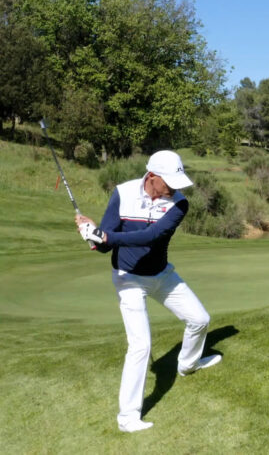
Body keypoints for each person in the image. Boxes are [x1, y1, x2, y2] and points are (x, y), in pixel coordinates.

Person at [76, 150, 221, 433]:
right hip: (128, 278)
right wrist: (91, 234)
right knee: (141, 346)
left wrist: (107, 236)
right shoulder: (123, 193)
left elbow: (152, 236)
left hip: (162, 275)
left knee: (200, 319)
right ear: (152, 176)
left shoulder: (179, 204)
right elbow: (105, 245)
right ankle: (128, 418)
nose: (174, 188)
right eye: (169, 181)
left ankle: (188, 364)